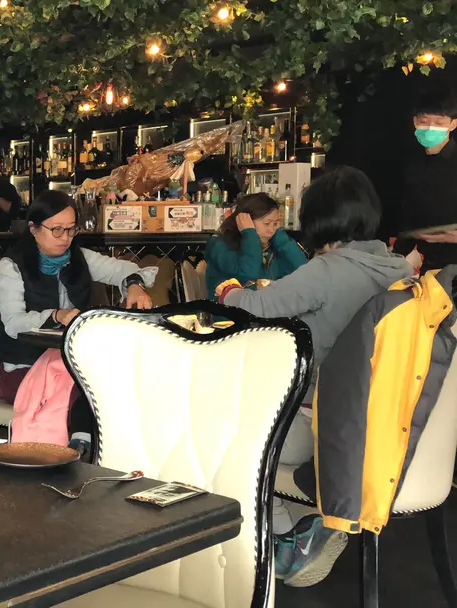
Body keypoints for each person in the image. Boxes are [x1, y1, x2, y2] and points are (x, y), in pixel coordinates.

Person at [216, 166, 413, 588]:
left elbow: (255, 306)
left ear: (318, 219)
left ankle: (291, 537)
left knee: (227, 434)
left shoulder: (329, 269)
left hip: (322, 424)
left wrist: (227, 291)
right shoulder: (400, 270)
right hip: (382, 426)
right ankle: (311, 519)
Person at [0, 190, 156, 451]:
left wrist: (134, 284)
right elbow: (13, 323)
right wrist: (55, 315)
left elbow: (122, 269)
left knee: (117, 377)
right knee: (87, 384)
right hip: (24, 365)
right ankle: (80, 447)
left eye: (71, 229)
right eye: (56, 230)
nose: (65, 238)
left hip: (71, 361)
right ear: (34, 229)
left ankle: (105, 449)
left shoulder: (80, 257)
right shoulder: (11, 267)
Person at [204, 193, 308, 298]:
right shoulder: (221, 245)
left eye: (275, 224)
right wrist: (249, 233)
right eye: (267, 224)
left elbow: (303, 271)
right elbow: (247, 276)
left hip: (267, 305)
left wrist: (280, 237)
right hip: (232, 307)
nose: (271, 230)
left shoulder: (273, 243)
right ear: (244, 221)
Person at [398, 84, 457, 268]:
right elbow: (408, 214)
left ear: (453, 124)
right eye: (424, 121)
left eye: (439, 123)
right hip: (424, 261)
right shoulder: (411, 162)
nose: (431, 127)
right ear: (415, 122)